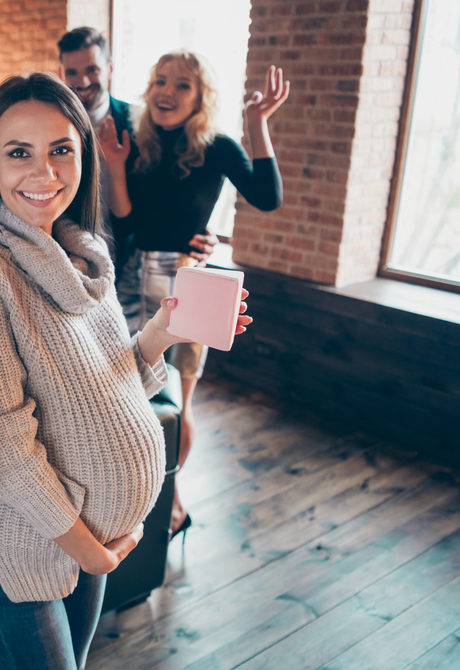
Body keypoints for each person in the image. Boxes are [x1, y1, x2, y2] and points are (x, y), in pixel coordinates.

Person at [0, 72, 252, 670]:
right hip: (24, 548)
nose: (45, 172)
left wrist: (161, 334)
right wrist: (92, 552)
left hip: (93, 541)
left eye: (62, 149)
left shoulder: (83, 251)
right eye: (19, 153)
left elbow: (111, 384)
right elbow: (4, 446)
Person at [98, 50, 286, 536]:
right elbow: (127, 222)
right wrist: (115, 166)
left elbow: (267, 197)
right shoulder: (135, 141)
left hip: (188, 283)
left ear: (201, 96)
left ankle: (170, 501)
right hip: (131, 279)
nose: (167, 91)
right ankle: (135, 499)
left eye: (182, 84)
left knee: (176, 403)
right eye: (160, 80)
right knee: (127, 397)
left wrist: (256, 122)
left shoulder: (218, 146)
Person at [57, 26, 217, 272]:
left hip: (127, 265)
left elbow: (174, 189)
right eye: (72, 72)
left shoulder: (143, 125)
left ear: (109, 68)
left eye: (92, 69)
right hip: (61, 257)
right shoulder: (49, 124)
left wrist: (197, 231)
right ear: (61, 73)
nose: (83, 81)